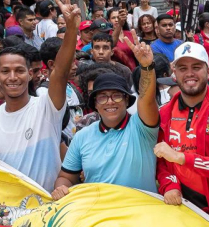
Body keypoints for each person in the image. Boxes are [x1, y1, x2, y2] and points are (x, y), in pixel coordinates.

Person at [0, 0, 83, 191]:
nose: (13, 77)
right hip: (13, 213)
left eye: (19, 70)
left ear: (31, 74)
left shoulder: (46, 107)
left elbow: (60, 72)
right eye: (5, 71)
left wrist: (71, 30)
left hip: (51, 209)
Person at [52, 38, 158, 196]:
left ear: (127, 99)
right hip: (99, 215)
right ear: (95, 104)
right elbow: (66, 177)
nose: (110, 102)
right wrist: (61, 188)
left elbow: (147, 99)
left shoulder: (142, 127)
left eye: (116, 95)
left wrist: (146, 67)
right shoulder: (82, 137)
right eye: (102, 97)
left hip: (140, 214)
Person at [154, 41, 209, 220]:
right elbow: (161, 161)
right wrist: (169, 185)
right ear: (174, 73)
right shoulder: (164, 111)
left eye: (196, 67)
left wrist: (180, 157)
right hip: (179, 208)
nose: (190, 74)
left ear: (208, 72)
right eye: (183, 68)